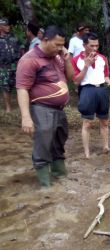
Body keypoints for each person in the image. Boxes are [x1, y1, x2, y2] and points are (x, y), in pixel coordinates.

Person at [16, 25, 75, 187]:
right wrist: (26, 117)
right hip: (41, 108)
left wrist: (67, 58)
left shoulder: (56, 57)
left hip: (59, 110)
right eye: (56, 44)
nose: (59, 48)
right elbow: (22, 89)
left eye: (62, 45)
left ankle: (60, 175)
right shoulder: (29, 60)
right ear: (45, 40)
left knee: (59, 141)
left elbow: (71, 77)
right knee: (43, 143)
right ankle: (45, 186)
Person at [71, 32, 110, 158]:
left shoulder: (103, 58)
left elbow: (105, 76)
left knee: (105, 121)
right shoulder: (76, 60)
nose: (95, 49)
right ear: (84, 45)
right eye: (92, 46)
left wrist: (109, 81)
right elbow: (76, 81)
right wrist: (86, 66)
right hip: (87, 90)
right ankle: (87, 152)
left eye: (97, 46)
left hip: (101, 90)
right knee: (87, 123)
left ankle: (106, 146)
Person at [0, 18, 21, 113]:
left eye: (8, 25)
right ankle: (8, 108)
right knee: (5, 87)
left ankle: (22, 106)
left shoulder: (14, 38)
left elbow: (21, 50)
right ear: (0, 27)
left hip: (15, 66)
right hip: (3, 67)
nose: (8, 27)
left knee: (20, 86)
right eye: (5, 25)